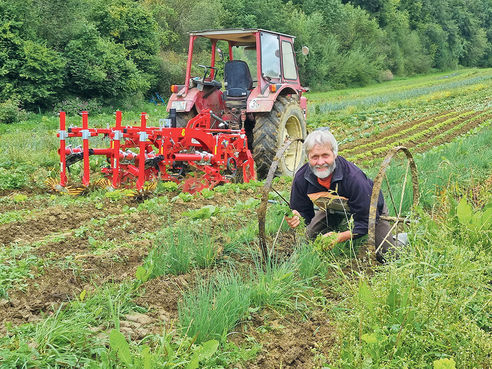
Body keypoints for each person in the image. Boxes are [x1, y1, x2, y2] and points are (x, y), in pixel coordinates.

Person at [285, 128, 396, 262]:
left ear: (334, 155)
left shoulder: (354, 179)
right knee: (309, 238)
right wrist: (297, 217)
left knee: (386, 254)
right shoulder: (302, 178)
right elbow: (302, 211)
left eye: (325, 155)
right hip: (332, 208)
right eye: (315, 157)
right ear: (308, 158)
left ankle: (401, 239)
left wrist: (339, 236)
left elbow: (366, 221)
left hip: (370, 210)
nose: (320, 162)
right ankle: (336, 222)